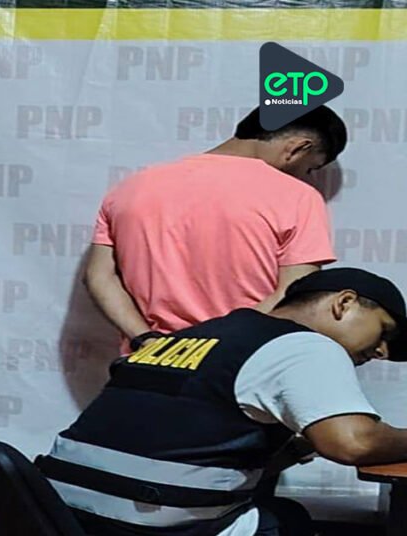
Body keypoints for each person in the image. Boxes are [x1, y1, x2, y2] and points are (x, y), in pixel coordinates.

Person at [40, 267, 407, 535]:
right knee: (289, 520)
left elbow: (177, 443)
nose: (381, 351)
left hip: (58, 514)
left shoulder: (191, 337)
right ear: (344, 303)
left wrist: (295, 448)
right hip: (148, 526)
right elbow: (353, 443)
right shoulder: (306, 345)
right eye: (384, 331)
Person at [84, 106, 348, 355]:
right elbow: (295, 294)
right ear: (299, 148)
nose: (304, 176)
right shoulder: (298, 197)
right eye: (310, 168)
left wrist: (145, 338)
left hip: (148, 362)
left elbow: (99, 277)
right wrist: (212, 347)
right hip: (242, 359)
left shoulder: (129, 188)